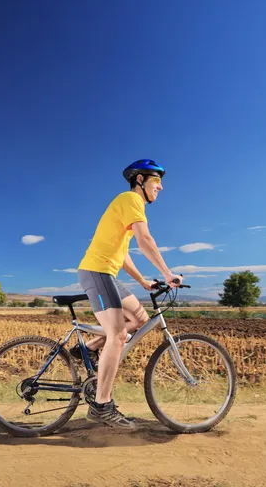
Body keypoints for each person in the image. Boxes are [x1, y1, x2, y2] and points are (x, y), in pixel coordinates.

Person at [73, 159, 183, 429]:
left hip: (107, 272)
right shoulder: (130, 200)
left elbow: (122, 257)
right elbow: (146, 241)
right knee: (119, 334)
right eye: (156, 181)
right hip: (96, 271)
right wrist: (168, 273)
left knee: (140, 319)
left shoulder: (129, 207)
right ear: (140, 180)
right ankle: (102, 405)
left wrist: (145, 282)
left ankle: (86, 349)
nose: (161, 187)